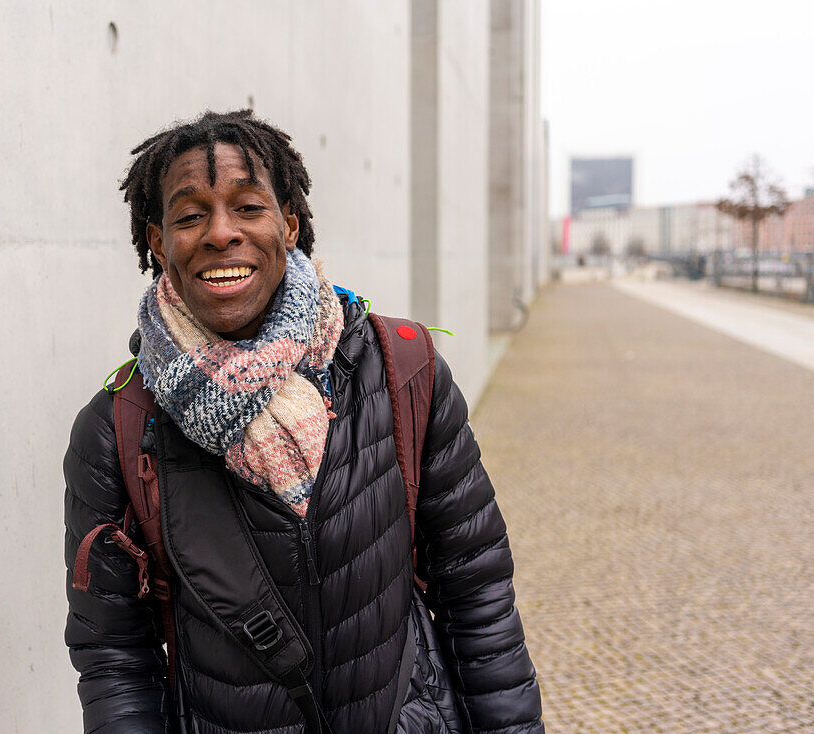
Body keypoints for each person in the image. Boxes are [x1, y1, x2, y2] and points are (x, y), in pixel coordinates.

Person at [63, 110, 544, 733]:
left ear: (288, 225)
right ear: (158, 243)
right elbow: (113, 658)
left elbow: (477, 596)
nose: (220, 233)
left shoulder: (402, 369)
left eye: (248, 207)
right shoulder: (117, 428)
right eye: (188, 216)